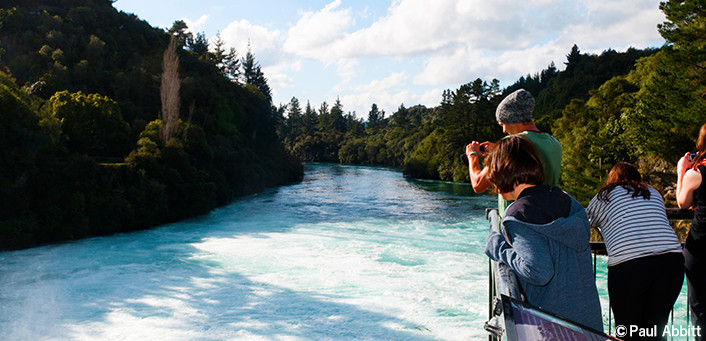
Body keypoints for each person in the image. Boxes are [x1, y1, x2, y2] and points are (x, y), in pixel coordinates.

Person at [484, 135, 603, 331]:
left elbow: (537, 271)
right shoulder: (568, 201)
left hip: (554, 326)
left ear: (504, 171)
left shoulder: (517, 215)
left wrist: (498, 247)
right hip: (588, 322)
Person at [586, 162, 684, 341]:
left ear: (612, 179)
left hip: (631, 265)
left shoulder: (605, 195)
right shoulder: (652, 192)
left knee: (628, 330)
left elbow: (583, 222)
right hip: (671, 262)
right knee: (654, 329)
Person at [465, 89, 562, 213]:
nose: (504, 130)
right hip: (546, 217)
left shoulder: (512, 144)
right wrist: (498, 152)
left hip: (516, 221)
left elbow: (478, 184)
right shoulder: (554, 143)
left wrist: (472, 155)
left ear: (512, 119)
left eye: (503, 124)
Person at [677, 123, 706, 340]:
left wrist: (681, 171)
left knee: (699, 308)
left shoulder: (696, 173)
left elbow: (682, 203)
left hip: (700, 247)